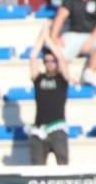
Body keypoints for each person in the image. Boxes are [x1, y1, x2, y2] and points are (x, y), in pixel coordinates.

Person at [27, 33, 70, 165]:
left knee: (63, 165)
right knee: (37, 167)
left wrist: (49, 40)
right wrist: (42, 36)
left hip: (57, 128)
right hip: (39, 129)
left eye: (52, 61)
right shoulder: (39, 79)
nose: (50, 64)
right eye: (47, 61)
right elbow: (33, 57)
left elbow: (62, 58)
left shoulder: (61, 79)